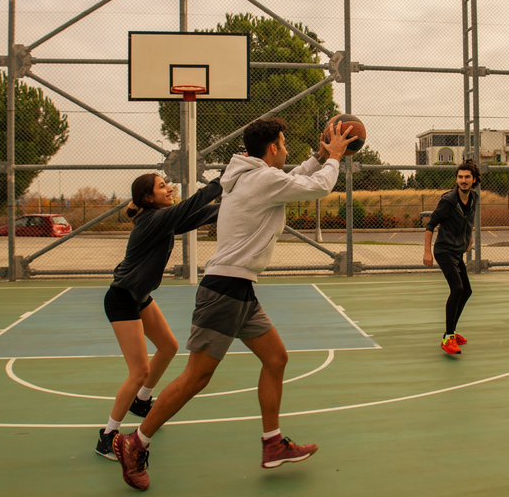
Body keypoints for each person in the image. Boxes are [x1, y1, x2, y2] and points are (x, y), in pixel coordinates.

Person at [112, 117, 356, 491]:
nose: (286, 149)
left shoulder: (254, 175)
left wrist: (318, 155)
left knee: (276, 359)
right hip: (224, 290)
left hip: (239, 289)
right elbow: (316, 187)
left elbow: (294, 178)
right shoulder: (262, 180)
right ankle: (135, 441)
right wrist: (334, 158)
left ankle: (273, 443)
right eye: (284, 143)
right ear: (272, 148)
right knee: (197, 376)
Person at [95, 173, 222, 460]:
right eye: (162, 186)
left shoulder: (163, 218)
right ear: (148, 198)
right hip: (122, 299)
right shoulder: (152, 219)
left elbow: (201, 215)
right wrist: (221, 182)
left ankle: (141, 403)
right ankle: (107, 436)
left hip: (139, 297)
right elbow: (192, 206)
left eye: (168, 184)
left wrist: (239, 203)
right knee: (139, 371)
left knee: (168, 347)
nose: (169, 188)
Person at [423, 160, 479, 355]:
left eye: (467, 177)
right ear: (456, 179)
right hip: (443, 250)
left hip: (456, 251)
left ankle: (451, 333)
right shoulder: (448, 201)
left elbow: (469, 220)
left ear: (473, 180)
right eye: (460, 177)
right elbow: (430, 225)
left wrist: (469, 237)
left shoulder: (474, 198)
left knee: (467, 291)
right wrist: (427, 251)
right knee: (457, 288)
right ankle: (448, 337)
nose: (463, 181)